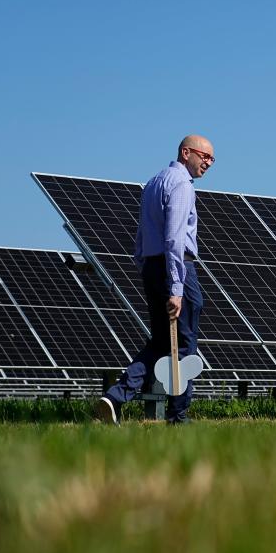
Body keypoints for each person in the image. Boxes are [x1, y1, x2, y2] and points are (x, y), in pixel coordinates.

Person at [97, 135, 215, 425]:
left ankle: (115, 397)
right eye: (204, 156)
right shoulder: (182, 185)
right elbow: (175, 238)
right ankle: (178, 417)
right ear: (186, 152)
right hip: (177, 270)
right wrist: (175, 287)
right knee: (185, 347)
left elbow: (141, 235)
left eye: (212, 159)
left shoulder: (153, 183)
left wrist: (146, 267)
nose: (208, 163)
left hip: (153, 266)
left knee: (162, 343)